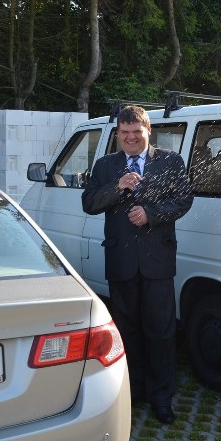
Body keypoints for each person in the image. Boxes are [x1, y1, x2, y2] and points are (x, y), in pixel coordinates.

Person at [81, 105, 193, 424]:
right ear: (118, 134)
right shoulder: (106, 166)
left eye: (136, 132)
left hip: (158, 261)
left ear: (148, 131)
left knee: (160, 333)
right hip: (121, 262)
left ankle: (162, 398)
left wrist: (151, 215)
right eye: (125, 133)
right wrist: (118, 188)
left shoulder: (170, 161)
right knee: (127, 331)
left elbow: (184, 199)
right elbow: (89, 203)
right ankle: (132, 393)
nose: (130, 138)